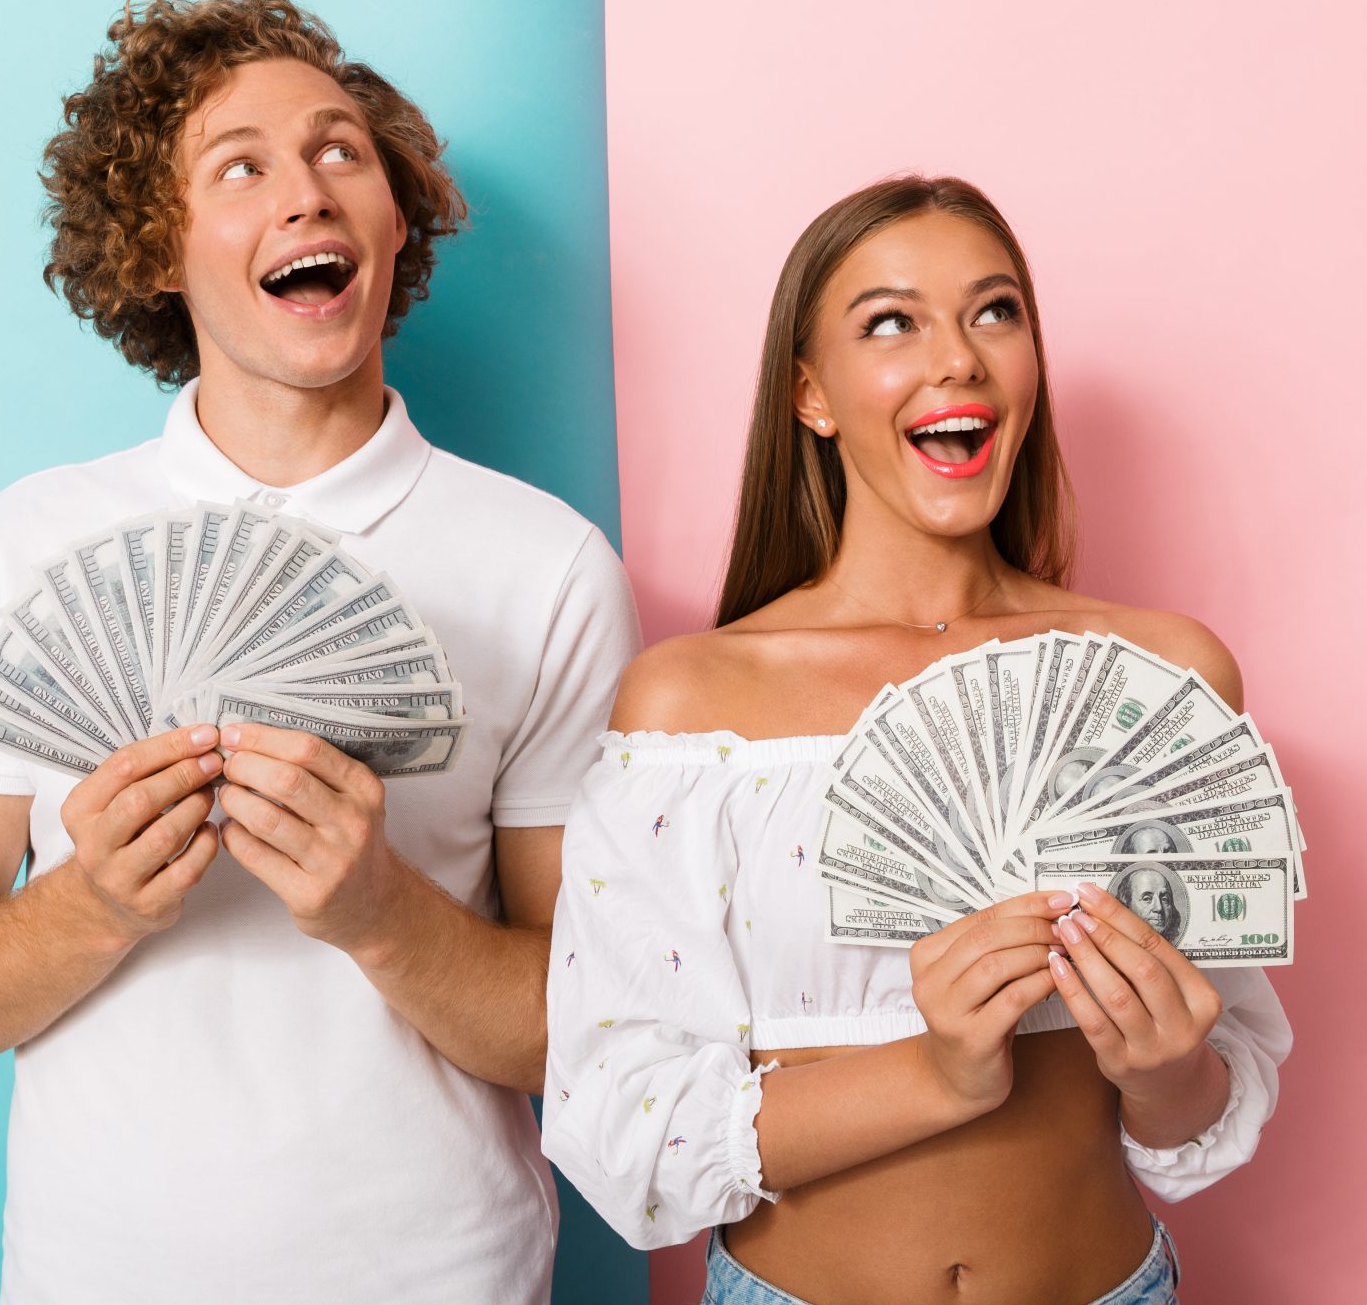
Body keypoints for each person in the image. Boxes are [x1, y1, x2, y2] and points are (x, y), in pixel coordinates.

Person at [0, 0, 640, 1303]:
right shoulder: (20, 546)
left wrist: (379, 911)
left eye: (343, 151)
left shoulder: (546, 565)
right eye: (242, 164)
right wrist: (91, 900)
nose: (307, 192)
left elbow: (596, 1026)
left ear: (397, 219)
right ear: (161, 248)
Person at [542, 177, 1291, 1305]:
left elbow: (1200, 1107)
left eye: (994, 312)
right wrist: (938, 1072)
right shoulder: (690, 707)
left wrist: (1167, 1067)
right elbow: (630, 1127)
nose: (959, 359)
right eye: (891, 322)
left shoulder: (1164, 679)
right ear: (811, 394)